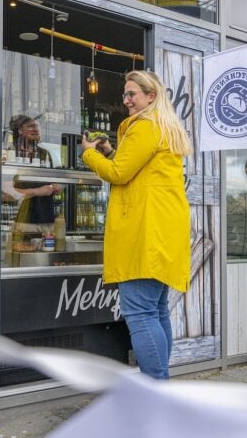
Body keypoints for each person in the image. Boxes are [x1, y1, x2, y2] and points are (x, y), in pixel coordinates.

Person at [80, 70, 192, 380]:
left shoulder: (144, 126)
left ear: (151, 96)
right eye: (125, 94)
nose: (126, 100)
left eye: (133, 94)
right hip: (162, 231)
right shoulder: (163, 127)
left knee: (140, 313)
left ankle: (156, 390)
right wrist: (110, 152)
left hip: (146, 232)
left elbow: (119, 174)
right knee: (155, 311)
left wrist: (90, 155)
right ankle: (160, 384)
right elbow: (135, 168)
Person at [9, 114, 59, 233]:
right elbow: (6, 193)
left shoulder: (44, 154)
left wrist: (57, 187)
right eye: (31, 126)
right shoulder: (11, 152)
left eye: (37, 127)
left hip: (47, 222)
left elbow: (55, 184)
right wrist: (38, 191)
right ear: (20, 130)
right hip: (22, 222)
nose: (36, 130)